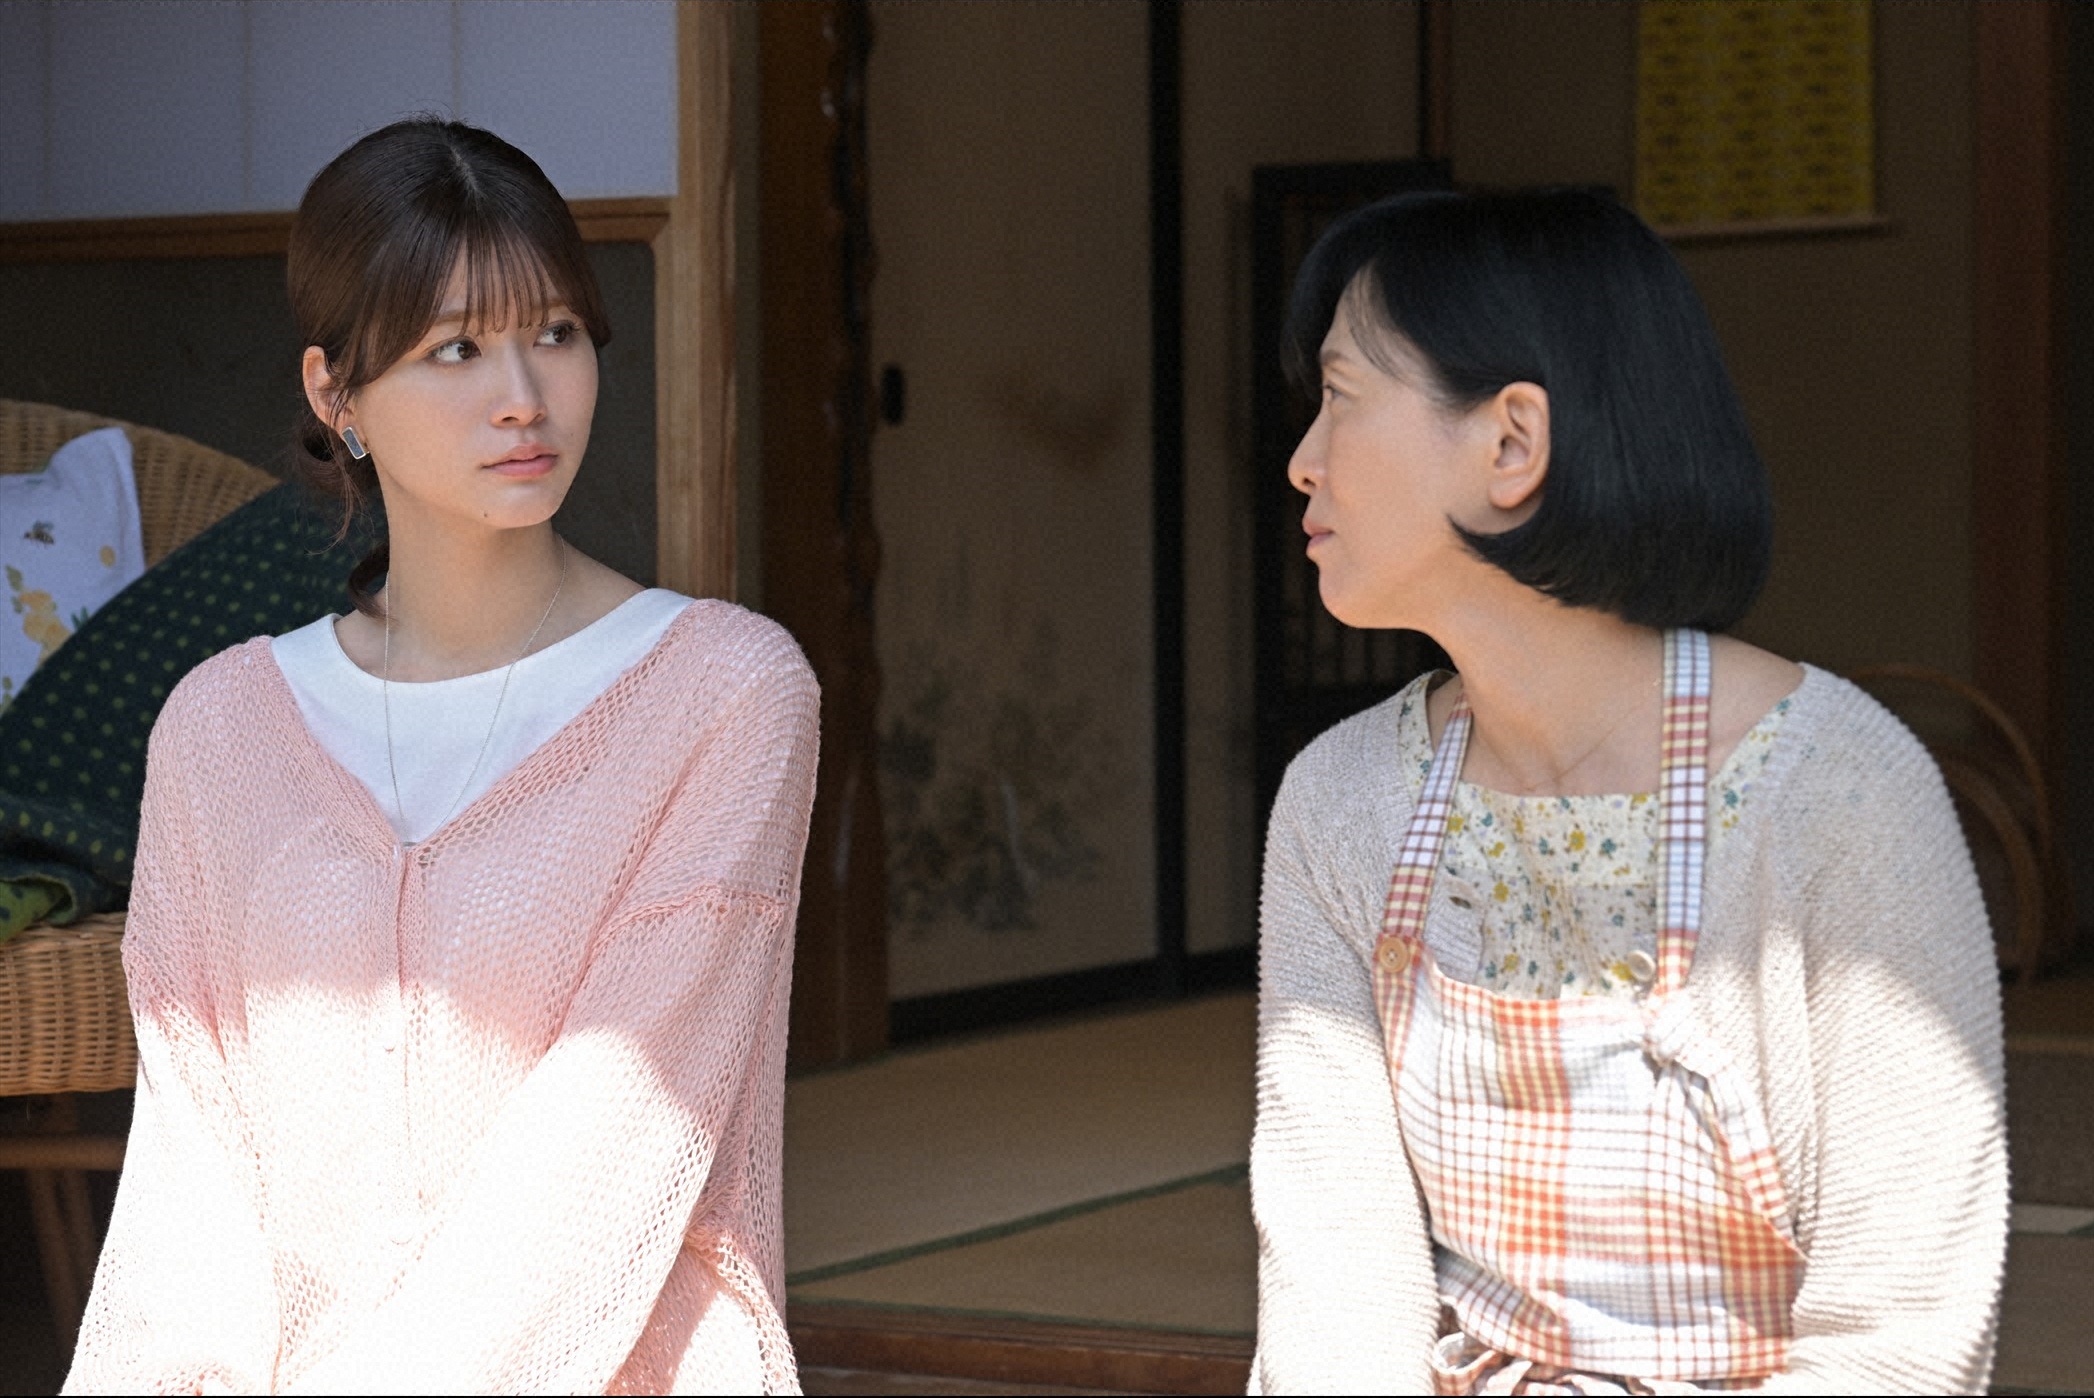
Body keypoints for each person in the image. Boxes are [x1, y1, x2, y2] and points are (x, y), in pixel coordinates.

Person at [65, 119, 817, 1394]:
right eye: (456, 348)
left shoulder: (726, 696)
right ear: (334, 394)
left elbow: (613, 1148)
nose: (524, 393)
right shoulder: (219, 728)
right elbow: (189, 1183)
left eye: (557, 333)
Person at [1249, 189, 2007, 1395]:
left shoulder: (1845, 793)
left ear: (1512, 444)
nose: (1303, 461)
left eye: (1340, 398)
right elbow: (1335, 1290)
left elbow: (1904, 1338)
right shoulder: (1340, 803)